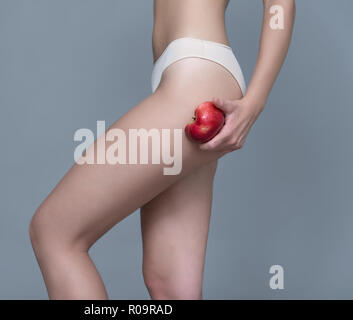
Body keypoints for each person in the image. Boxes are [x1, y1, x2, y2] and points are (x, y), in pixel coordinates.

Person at [29, 0, 295, 299]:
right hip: (188, 73)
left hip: (196, 72)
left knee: (54, 234)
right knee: (169, 285)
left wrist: (254, 103)